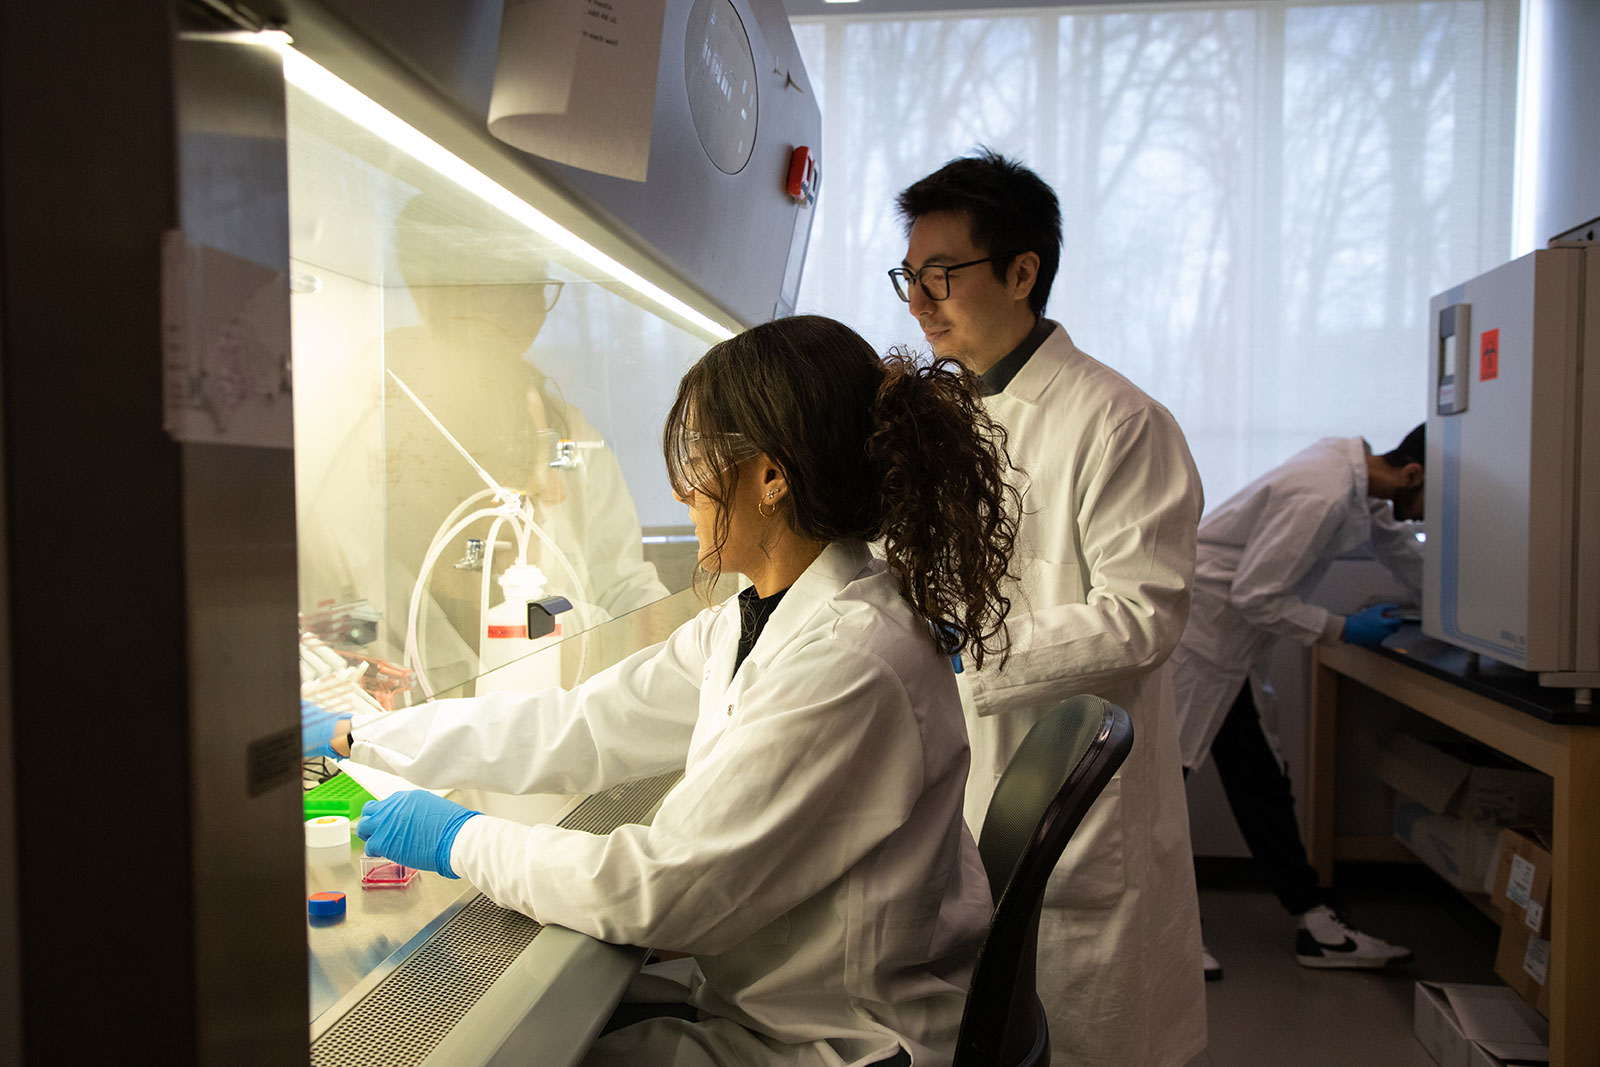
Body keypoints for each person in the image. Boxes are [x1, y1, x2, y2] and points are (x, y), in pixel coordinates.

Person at [304, 314, 1022, 1067]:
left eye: (699, 456)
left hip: (841, 1039)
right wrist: (375, 736)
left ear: (772, 476)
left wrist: (457, 837)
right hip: (776, 999)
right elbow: (581, 725)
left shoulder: (851, 659)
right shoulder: (758, 617)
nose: (683, 490)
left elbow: (656, 893)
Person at [892, 150, 1207, 1066]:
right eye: (908, 277)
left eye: (941, 275)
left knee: (1084, 1039)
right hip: (965, 785)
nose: (918, 300)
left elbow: (1143, 615)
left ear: (1022, 272)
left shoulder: (1118, 420)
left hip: (1079, 817)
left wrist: (961, 652)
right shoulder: (949, 416)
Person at [1170, 427, 1426, 979]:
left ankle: (1317, 925)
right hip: (1203, 641)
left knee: (1257, 779)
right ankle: (1164, 935)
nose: (1428, 518)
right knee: (1167, 786)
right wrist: (1341, 628)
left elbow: (1396, 543)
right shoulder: (1325, 492)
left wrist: (1450, 604)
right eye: (1433, 504)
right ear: (1412, 474)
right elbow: (1255, 595)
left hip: (1228, 647)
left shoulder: (1355, 474)